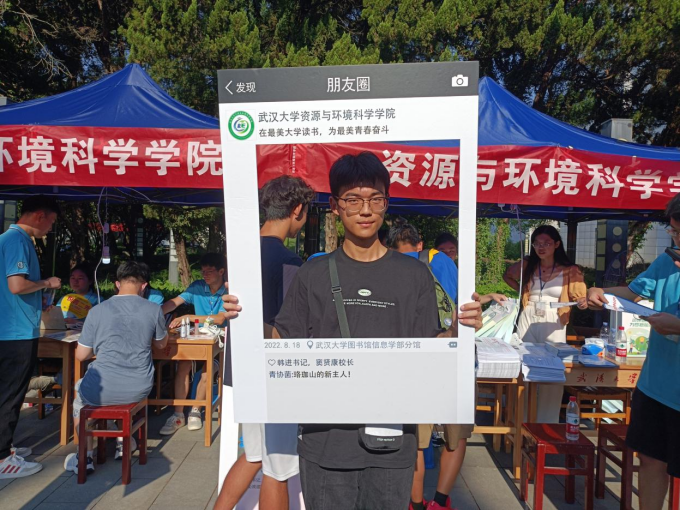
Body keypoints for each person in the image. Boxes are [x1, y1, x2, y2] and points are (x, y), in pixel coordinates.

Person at [227, 152, 481, 509]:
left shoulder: (414, 275)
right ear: (335, 206)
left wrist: (458, 330)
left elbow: (431, 342)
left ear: (386, 204)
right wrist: (244, 318)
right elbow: (282, 339)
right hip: (325, 442)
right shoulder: (313, 273)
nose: (365, 210)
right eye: (353, 200)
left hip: (392, 440)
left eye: (375, 199)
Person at [387, 220, 504, 510]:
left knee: (415, 437)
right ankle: (440, 501)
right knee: (456, 434)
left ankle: (415, 503)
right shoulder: (441, 260)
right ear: (420, 243)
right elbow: (462, 303)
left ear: (391, 245)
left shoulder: (389, 266)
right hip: (454, 355)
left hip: (415, 359)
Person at [215, 175, 315, 510]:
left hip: (243, 370)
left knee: (254, 454)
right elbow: (291, 327)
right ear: (297, 209)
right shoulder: (288, 261)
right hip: (275, 373)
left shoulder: (241, 254)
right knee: (278, 468)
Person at [587, 194, 680, 510]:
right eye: (673, 230)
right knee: (650, 460)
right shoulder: (667, 261)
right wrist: (601, 293)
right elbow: (632, 293)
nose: (675, 239)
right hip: (654, 386)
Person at [64, 261, 168, 474]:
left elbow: (81, 355)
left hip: (101, 388)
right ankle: (123, 441)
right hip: (139, 388)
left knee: (79, 393)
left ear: (117, 284)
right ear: (144, 286)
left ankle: (85, 456)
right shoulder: (153, 309)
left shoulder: (97, 311)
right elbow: (161, 344)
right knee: (118, 394)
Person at [0, 195, 61, 479]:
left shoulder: (9, 239)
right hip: (15, 331)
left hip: (12, 327)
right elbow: (16, 285)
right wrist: (46, 282)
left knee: (8, 393)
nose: (50, 228)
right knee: (10, 395)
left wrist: (39, 296)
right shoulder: (17, 241)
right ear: (39, 215)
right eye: (51, 221)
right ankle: (3, 458)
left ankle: (6, 446)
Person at [503, 225, 586, 422]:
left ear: (557, 244)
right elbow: (508, 275)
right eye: (537, 243)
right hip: (528, 314)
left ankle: (547, 422)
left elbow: (581, 297)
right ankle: (520, 421)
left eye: (546, 243)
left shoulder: (570, 270)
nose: (541, 247)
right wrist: (522, 289)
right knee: (523, 365)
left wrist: (582, 302)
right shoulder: (528, 264)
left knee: (553, 370)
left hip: (553, 318)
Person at [160, 253, 228, 434]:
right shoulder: (197, 287)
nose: (205, 275)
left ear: (221, 271)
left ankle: (195, 411)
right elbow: (173, 303)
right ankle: (178, 414)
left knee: (208, 369)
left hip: (220, 341)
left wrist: (190, 317)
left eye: (209, 271)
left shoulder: (228, 290)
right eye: (203, 271)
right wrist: (154, 313)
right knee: (183, 365)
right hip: (197, 338)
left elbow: (220, 319)